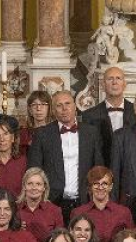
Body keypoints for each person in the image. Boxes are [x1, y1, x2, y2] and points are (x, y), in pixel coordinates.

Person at [26, 91, 103, 220]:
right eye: (59, 105)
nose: (64, 108)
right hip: (52, 202)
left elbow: (98, 168)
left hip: (85, 201)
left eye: (67, 104)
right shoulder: (42, 134)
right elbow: (34, 170)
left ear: (75, 106)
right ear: (53, 110)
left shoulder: (91, 132)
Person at [83, 67, 136, 161]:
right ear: (103, 85)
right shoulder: (89, 116)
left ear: (124, 84)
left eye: (118, 78)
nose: (114, 82)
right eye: (110, 78)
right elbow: (88, 152)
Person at [71, 166, 135, 242]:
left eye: (104, 183)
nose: (100, 187)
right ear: (90, 187)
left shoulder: (123, 212)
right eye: (96, 183)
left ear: (110, 187)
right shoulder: (78, 213)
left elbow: (132, 241)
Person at [17, 168, 65, 242]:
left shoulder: (55, 211)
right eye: (30, 184)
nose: (34, 188)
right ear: (24, 186)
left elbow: (60, 240)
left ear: (44, 188)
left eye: (38, 184)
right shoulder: (15, 209)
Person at [18, 90, 52, 156]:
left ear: (49, 108)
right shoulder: (23, 134)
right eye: (34, 104)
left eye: (43, 104)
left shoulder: (55, 132)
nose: (38, 108)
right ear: (30, 110)